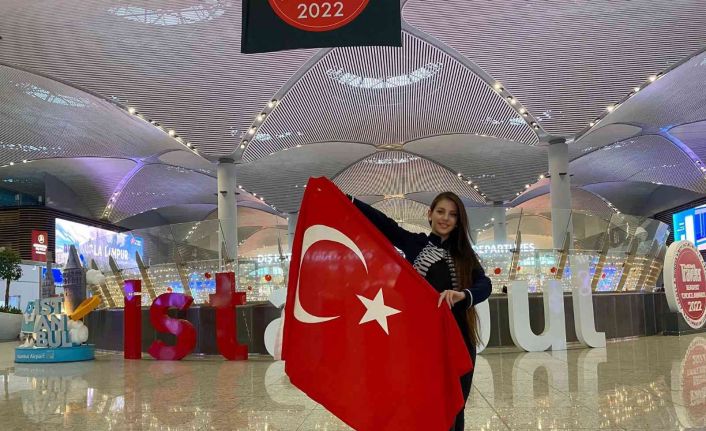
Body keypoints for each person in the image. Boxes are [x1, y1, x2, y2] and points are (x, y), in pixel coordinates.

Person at [349, 192, 492, 431]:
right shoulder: (415, 244)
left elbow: (485, 284)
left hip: (459, 342)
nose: (445, 218)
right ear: (430, 214)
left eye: (452, 215)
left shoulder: (465, 255)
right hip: (422, 343)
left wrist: (464, 295)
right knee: (426, 406)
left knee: (456, 407)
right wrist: (350, 201)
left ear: (458, 221)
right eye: (440, 211)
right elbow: (386, 225)